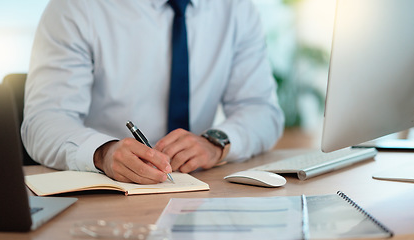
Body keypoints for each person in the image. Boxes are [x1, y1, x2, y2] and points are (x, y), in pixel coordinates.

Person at [22, 0, 285, 184]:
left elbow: (260, 109)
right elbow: (44, 120)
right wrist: (103, 152)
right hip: (105, 195)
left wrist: (216, 143)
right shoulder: (75, 7)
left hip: (196, 191)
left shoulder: (237, 8)